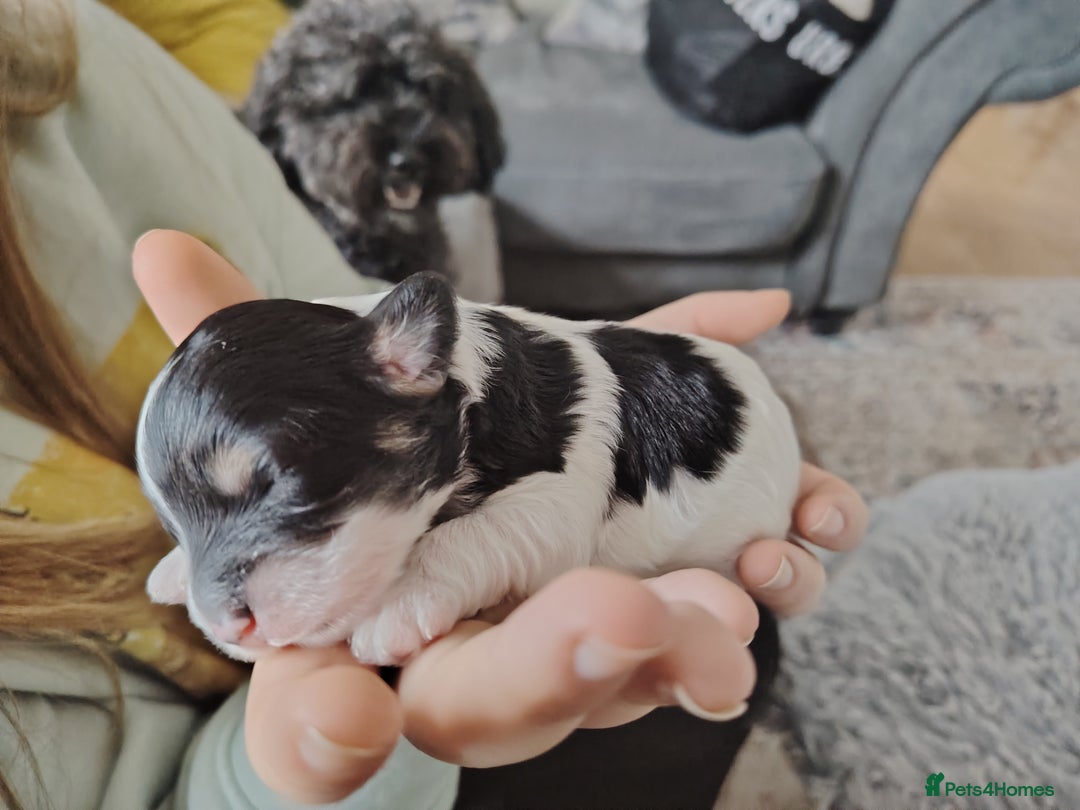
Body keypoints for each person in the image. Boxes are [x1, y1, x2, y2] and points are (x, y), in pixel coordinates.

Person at [0, 1, 868, 808]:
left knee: (717, 665)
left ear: (414, 370)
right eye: (188, 525)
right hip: (366, 761)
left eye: (265, 497)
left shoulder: (63, 42)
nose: (222, 604)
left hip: (686, 565)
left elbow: (544, 518)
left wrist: (435, 578)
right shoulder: (406, 407)